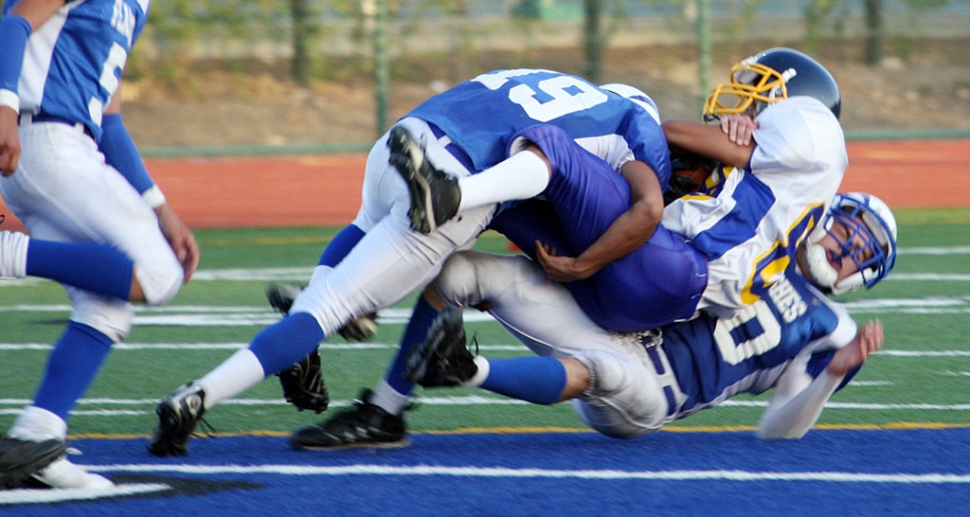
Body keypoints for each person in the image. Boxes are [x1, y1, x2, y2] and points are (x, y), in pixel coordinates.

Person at [287, 47, 851, 449]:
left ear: (797, 115)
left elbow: (658, 145)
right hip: (629, 285)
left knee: (551, 152)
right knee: (473, 243)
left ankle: (432, 338)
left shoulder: (811, 146)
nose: (745, 106)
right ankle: (380, 402)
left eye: (763, 98)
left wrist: (623, 121)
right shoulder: (765, 194)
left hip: (654, 322)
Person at [148, 69, 671, 456]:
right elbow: (627, 197)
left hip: (403, 142)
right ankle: (199, 395)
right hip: (454, 180)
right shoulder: (632, 122)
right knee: (326, 312)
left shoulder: (554, 83)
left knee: (374, 243)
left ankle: (353, 374)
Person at [376, 191, 897, 443]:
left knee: (599, 370)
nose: (845, 249)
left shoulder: (835, 331)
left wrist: (829, 378)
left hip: (654, 391)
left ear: (863, 275)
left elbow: (776, 432)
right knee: (463, 272)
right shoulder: (766, 231)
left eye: (860, 252)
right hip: (609, 321)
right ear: (826, 216)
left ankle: (466, 370)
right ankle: (385, 410)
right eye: (846, 232)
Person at [0, 0, 198, 490]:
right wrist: (2, 106)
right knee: (158, 275)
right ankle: (9, 256)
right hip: (45, 142)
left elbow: (108, 116)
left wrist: (158, 203)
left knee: (109, 307)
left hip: (60, 149)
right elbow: (13, 28)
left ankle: (37, 438)